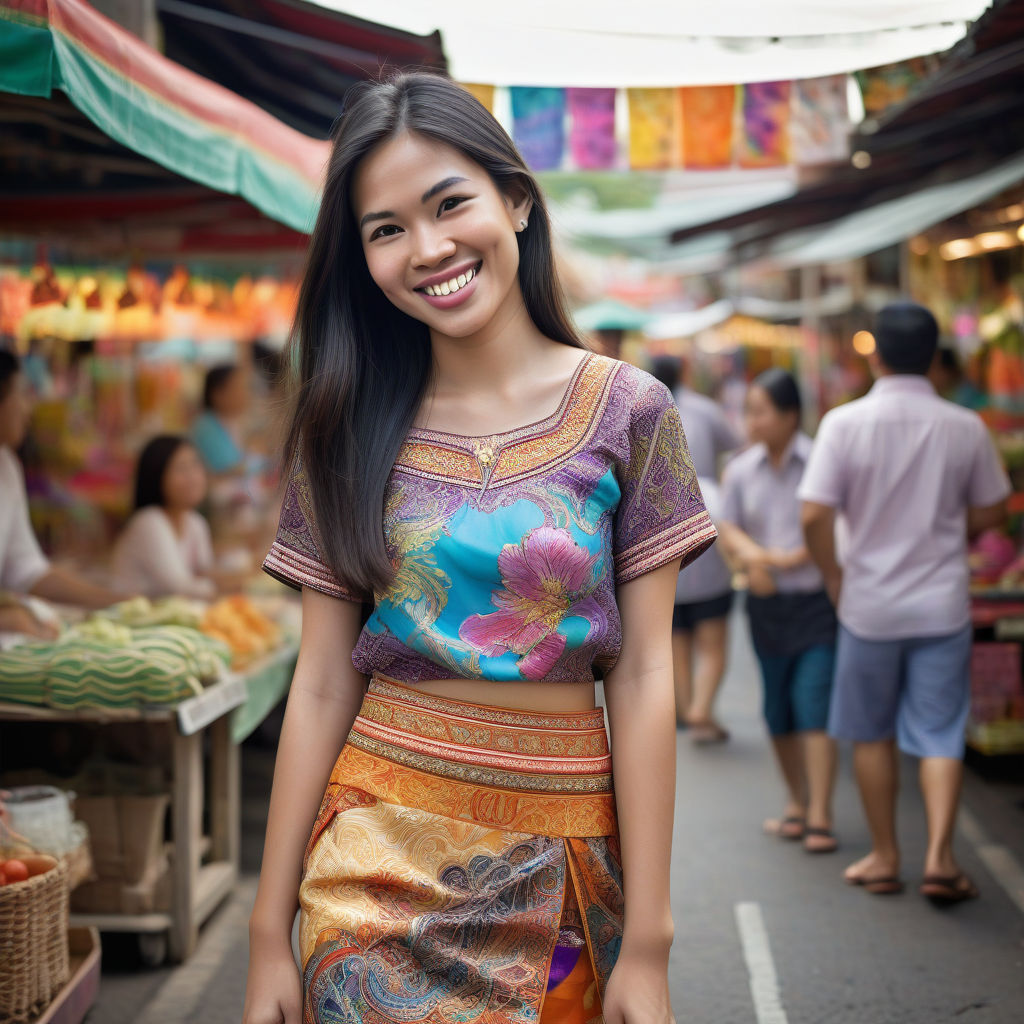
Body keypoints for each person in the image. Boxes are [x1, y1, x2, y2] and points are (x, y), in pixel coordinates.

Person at [243, 72, 716, 1024]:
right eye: (385, 229)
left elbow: (646, 673)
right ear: (361, 257)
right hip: (370, 869)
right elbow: (325, 681)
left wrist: (652, 944)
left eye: (449, 203)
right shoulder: (341, 424)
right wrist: (265, 936)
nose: (428, 248)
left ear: (517, 200)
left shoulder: (630, 410)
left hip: (567, 867)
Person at [800, 302, 1010, 902]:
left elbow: (814, 512)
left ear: (875, 353)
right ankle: (941, 857)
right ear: (935, 355)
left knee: (871, 735)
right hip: (942, 605)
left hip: (868, 606)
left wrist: (834, 576)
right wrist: (950, 526)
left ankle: (886, 856)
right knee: (940, 734)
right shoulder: (964, 426)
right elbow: (995, 510)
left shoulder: (844, 424)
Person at [718, 369, 838, 853]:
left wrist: (789, 559)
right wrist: (755, 558)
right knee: (778, 709)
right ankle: (796, 801)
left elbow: (831, 523)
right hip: (767, 603)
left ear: (790, 416)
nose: (752, 421)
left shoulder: (820, 462)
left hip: (814, 604)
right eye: (749, 411)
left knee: (814, 706)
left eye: (761, 411)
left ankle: (821, 814)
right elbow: (728, 525)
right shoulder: (742, 468)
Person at [651, 356, 741, 742]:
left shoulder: (644, 411)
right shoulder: (706, 409)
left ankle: (686, 709)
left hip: (660, 524)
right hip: (707, 515)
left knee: (677, 633)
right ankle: (702, 708)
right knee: (713, 632)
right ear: (684, 373)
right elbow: (737, 446)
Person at [0, 350, 122, 637]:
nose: (30, 408)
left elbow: (26, 569)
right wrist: (9, 618)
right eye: (22, 394)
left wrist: (118, 602)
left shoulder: (6, 466)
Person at [112, 435, 237, 600]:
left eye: (195, 464)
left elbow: (206, 573)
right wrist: (245, 583)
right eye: (181, 469)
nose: (193, 477)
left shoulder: (195, 522)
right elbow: (182, 587)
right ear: (156, 476)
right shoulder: (149, 522)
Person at [191, 363, 249, 476]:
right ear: (217, 394)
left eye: (245, 388)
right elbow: (228, 470)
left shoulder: (229, 421)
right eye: (238, 388)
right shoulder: (205, 428)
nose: (245, 394)